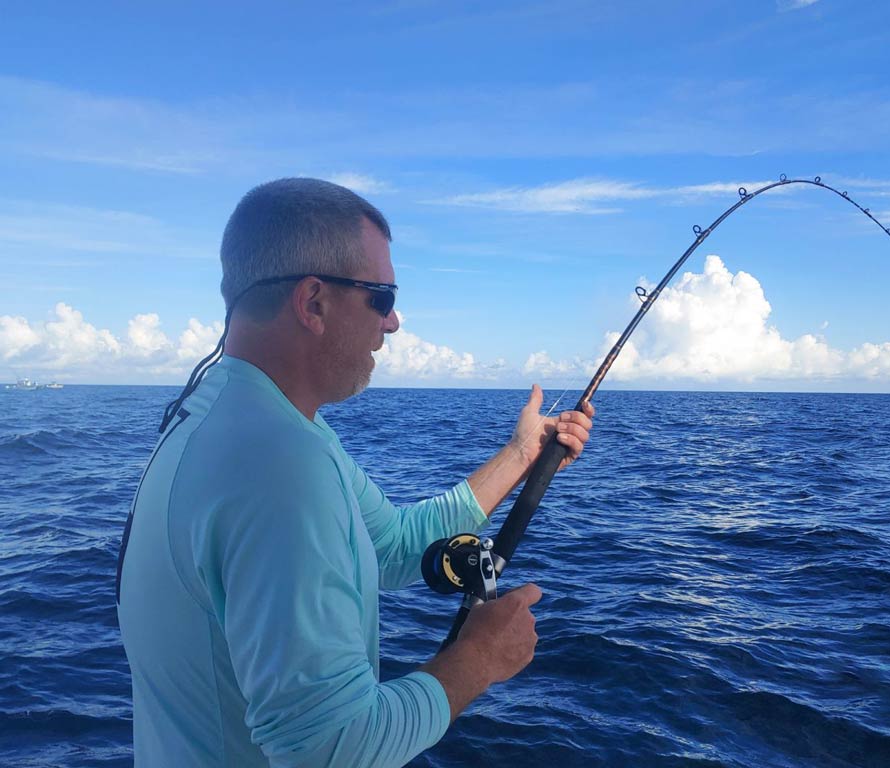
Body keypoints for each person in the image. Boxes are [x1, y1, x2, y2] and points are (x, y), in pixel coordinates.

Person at [115, 178, 595, 767]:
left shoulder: (234, 418)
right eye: (383, 297)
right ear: (313, 301)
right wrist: (478, 658)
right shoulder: (280, 464)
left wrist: (522, 453)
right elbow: (328, 750)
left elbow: (390, 545)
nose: (393, 323)